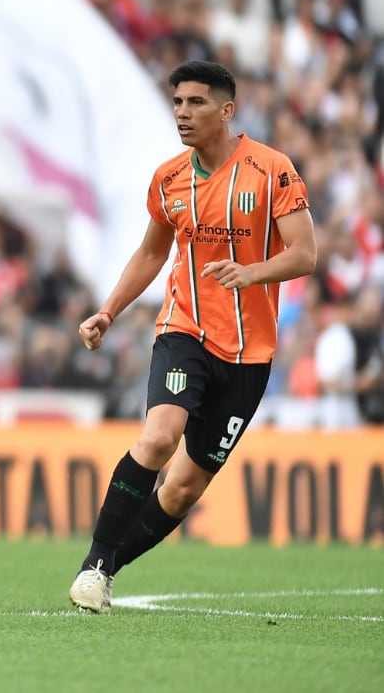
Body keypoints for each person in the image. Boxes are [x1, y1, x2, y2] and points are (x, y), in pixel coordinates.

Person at [69, 60, 316, 613]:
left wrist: (252, 272)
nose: (182, 112)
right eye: (177, 102)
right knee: (159, 436)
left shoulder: (272, 170)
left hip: (250, 354)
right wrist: (108, 311)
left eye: (196, 103)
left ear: (227, 110)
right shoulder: (169, 178)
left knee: (182, 489)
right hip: (186, 330)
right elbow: (153, 252)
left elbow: (305, 253)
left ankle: (104, 569)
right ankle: (93, 565)